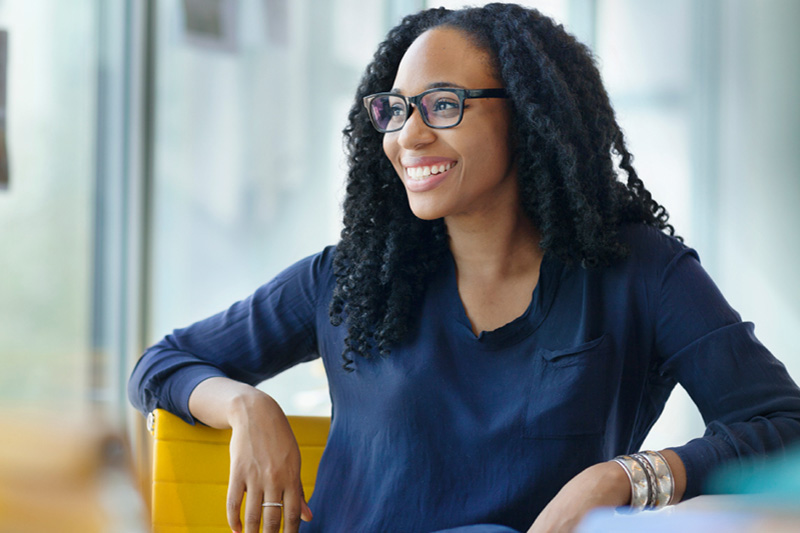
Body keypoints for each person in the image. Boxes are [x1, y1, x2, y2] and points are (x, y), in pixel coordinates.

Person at [128, 4, 800, 533]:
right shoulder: (351, 278)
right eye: (395, 110)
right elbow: (162, 363)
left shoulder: (639, 273)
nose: (409, 135)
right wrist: (247, 405)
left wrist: (622, 478)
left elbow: (782, 426)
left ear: (530, 117)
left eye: (443, 105)